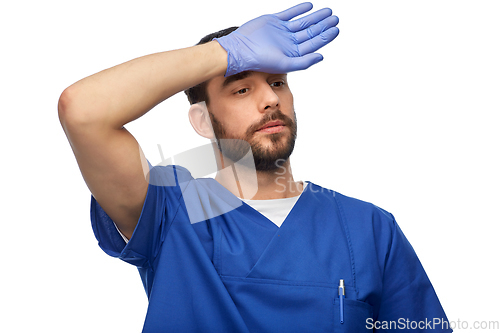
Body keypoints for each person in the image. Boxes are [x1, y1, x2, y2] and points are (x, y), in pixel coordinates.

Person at [58, 3, 452, 332]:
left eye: (278, 82)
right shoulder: (170, 214)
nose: (269, 100)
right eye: (242, 88)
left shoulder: (369, 228)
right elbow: (83, 110)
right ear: (201, 121)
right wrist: (226, 52)